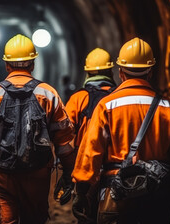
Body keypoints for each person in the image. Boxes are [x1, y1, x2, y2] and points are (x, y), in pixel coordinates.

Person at [71, 37, 170, 223]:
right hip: (159, 192)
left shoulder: (107, 105)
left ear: (120, 72)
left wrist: (81, 191)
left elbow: (91, 151)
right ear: (150, 72)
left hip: (117, 190)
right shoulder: (168, 107)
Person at [0, 34, 76, 224]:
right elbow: (64, 138)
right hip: (37, 173)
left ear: (7, 65)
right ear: (33, 64)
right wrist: (68, 172)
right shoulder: (48, 93)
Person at [55, 48, 116, 223]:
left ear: (87, 72)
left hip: (87, 171)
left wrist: (65, 169)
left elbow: (63, 135)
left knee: (87, 215)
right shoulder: (119, 98)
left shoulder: (78, 99)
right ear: (111, 72)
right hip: (116, 169)